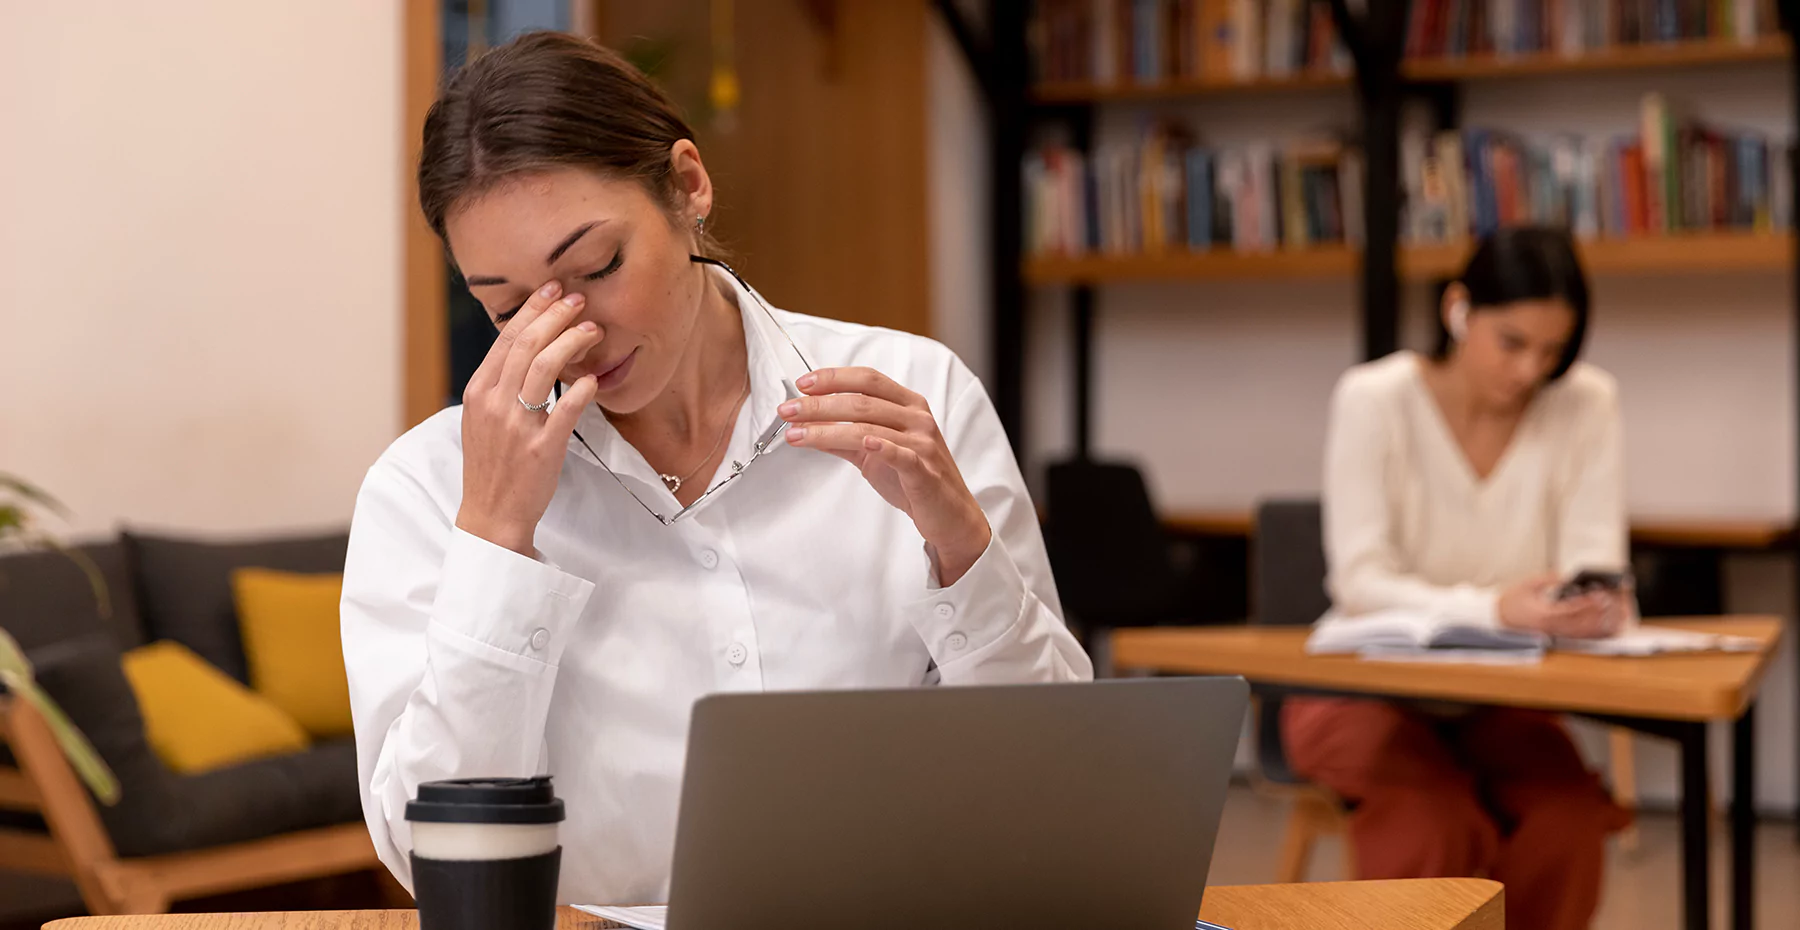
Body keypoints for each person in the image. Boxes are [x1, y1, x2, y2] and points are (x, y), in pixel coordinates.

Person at [340, 32, 1091, 904]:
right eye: (509, 307)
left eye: (598, 267)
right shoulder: (427, 488)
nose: (573, 334)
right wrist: (498, 541)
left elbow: (1060, 782)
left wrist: (963, 552)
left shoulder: (917, 396)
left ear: (687, 184)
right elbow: (422, 851)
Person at [1283, 226, 1633, 930]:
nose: (1530, 370)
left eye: (1553, 351)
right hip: (1362, 690)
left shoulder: (1587, 403)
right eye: (1511, 342)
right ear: (1458, 310)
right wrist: (1498, 608)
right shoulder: (1373, 399)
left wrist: (1586, 606)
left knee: (1565, 825)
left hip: (1502, 695)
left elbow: (1594, 563)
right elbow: (1361, 582)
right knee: (1433, 824)